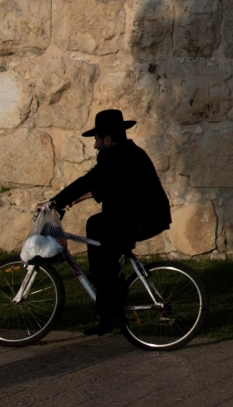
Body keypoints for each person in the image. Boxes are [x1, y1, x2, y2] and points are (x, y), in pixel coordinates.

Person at [47, 109, 172, 336]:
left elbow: (90, 180)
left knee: (100, 239)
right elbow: (104, 185)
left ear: (107, 139)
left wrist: (55, 201)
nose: (95, 145)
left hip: (140, 219)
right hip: (143, 216)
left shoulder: (115, 156)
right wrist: (71, 200)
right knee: (97, 226)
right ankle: (107, 281)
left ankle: (109, 312)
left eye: (96, 140)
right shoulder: (126, 154)